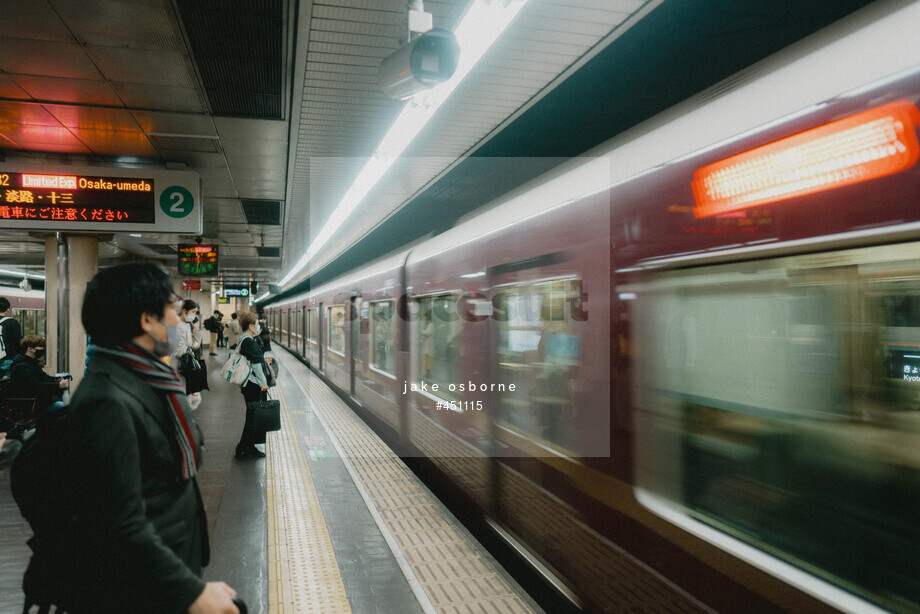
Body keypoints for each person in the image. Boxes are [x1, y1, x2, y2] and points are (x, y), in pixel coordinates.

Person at [11, 261, 239, 613]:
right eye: (171, 310)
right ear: (147, 319)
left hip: (162, 569)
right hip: (137, 588)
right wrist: (190, 592)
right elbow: (118, 520)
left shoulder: (144, 379)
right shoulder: (108, 401)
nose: (177, 320)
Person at [235, 312, 272, 459]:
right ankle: (244, 448)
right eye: (256, 324)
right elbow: (256, 365)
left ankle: (247, 447)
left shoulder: (244, 339)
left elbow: (254, 359)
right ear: (251, 326)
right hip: (253, 385)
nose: (258, 327)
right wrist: (263, 384)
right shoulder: (249, 341)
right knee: (253, 416)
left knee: (252, 415)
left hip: (249, 384)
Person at [9, 335, 69, 416]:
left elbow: (43, 378)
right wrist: (58, 385)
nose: (42, 350)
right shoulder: (21, 367)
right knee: (65, 407)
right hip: (30, 405)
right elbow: (35, 386)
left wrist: (56, 380)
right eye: (40, 347)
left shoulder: (31, 363)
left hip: (39, 401)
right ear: (30, 349)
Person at [0, 296, 23, 378]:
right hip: (8, 360)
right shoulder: (12, 323)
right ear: (7, 309)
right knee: (9, 387)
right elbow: (17, 342)